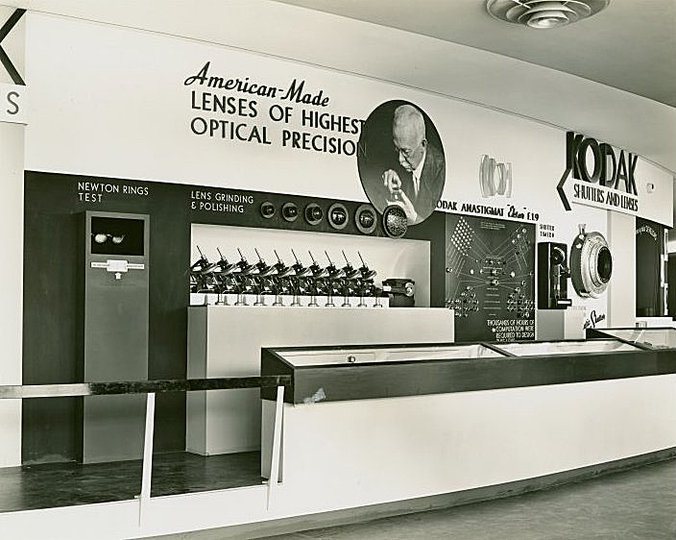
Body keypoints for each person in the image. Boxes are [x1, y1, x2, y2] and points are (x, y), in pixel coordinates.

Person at [380, 104, 445, 225]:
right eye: (397, 149)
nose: (400, 160)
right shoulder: (399, 163)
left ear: (423, 145)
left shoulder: (441, 171)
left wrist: (414, 218)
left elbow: (435, 227)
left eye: (406, 152)